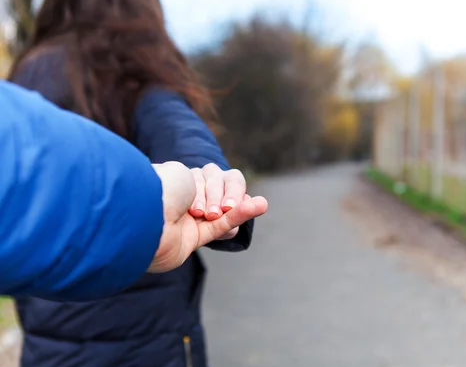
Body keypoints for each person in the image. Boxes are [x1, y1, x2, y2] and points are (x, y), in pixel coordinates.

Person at [9, 0, 260, 367]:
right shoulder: (127, 66)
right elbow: (177, 127)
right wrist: (207, 177)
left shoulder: (21, 78)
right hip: (144, 366)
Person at [0, 80, 268, 300]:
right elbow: (176, 127)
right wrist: (186, 187)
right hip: (145, 318)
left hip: (46, 318)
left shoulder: (24, 75)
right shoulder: (139, 72)